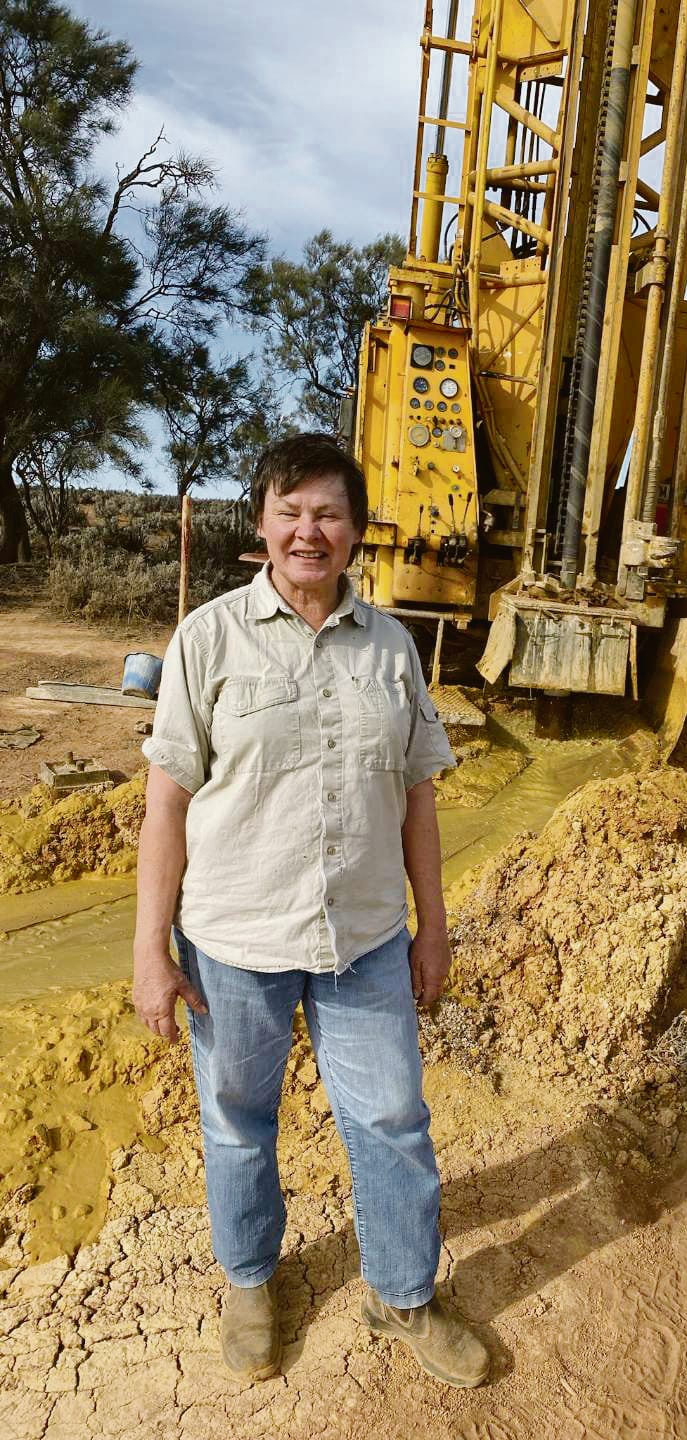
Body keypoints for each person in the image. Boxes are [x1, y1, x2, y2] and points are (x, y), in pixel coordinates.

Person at [132, 432, 489, 1389]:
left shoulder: (392, 649)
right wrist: (149, 949)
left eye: (328, 513)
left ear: (357, 531)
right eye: (289, 512)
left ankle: (403, 1294)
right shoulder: (208, 638)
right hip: (234, 939)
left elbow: (418, 798)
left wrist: (434, 927)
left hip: (364, 937)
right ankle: (251, 1283)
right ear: (261, 525)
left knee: (393, 1118)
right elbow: (166, 805)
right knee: (238, 1120)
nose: (308, 531)